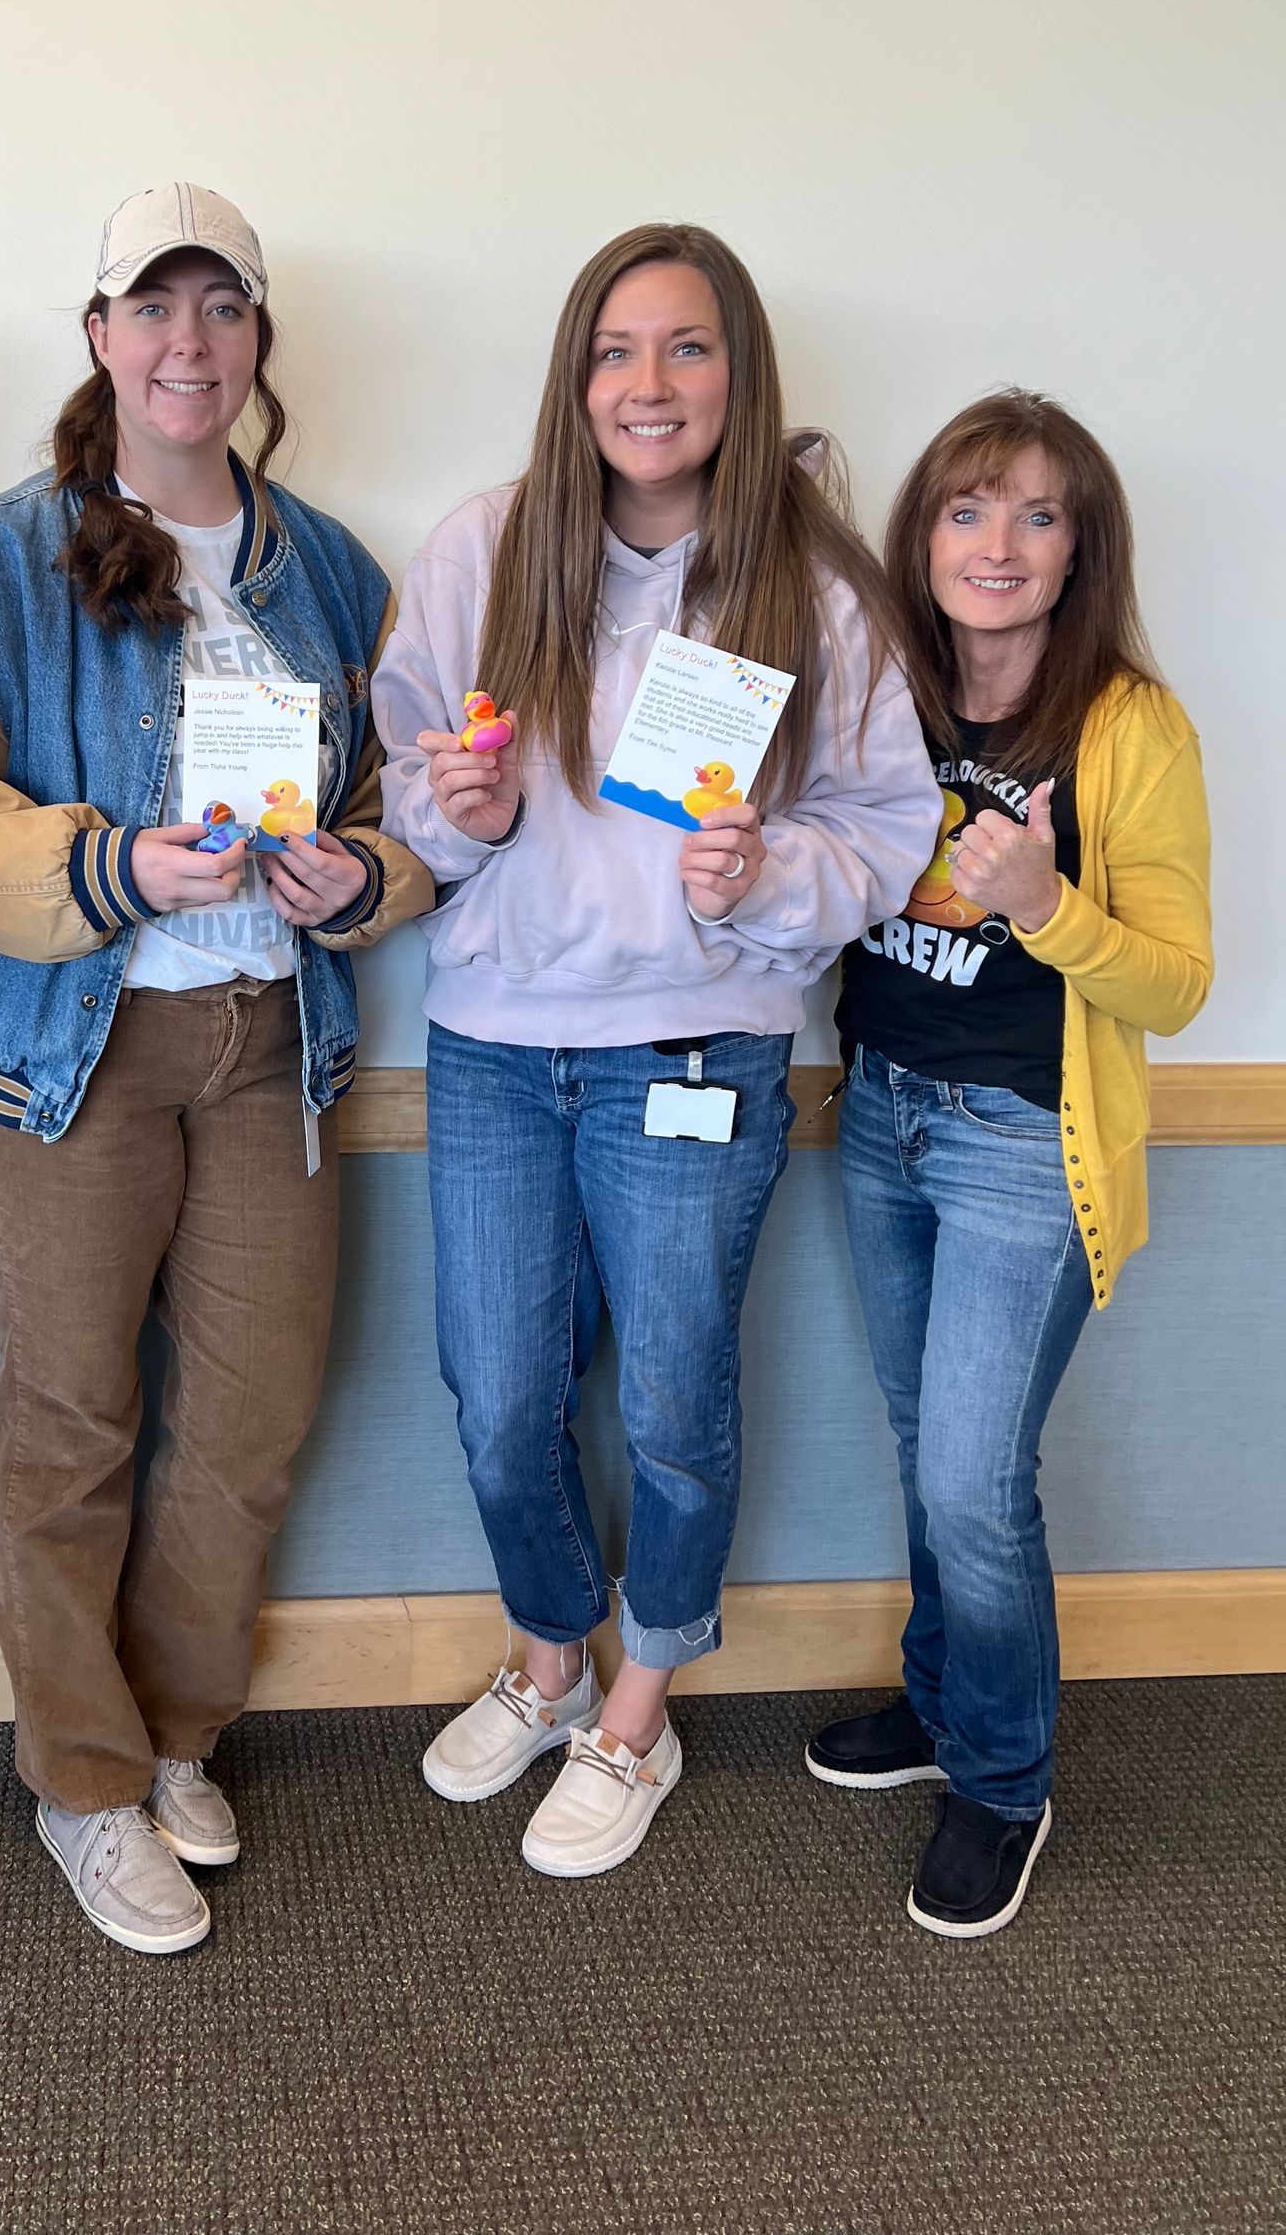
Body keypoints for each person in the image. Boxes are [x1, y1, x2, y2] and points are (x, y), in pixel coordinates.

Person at [0, 182, 432, 1955]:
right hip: (69, 1054)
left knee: (254, 1421)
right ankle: (84, 1782)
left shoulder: (334, 568)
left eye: (223, 309)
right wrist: (115, 868)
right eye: (154, 309)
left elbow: (399, 813)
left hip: (276, 1043)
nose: (187, 343)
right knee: (69, 1422)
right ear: (103, 336)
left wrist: (364, 878)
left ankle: (179, 1732)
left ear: (258, 341)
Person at [373, 222, 940, 1879]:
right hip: (491, 1047)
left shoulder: (810, 591)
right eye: (618, 351)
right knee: (498, 1396)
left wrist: (769, 878)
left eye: (688, 349)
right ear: (574, 377)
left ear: (739, 377)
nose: (650, 384)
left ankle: (638, 1707)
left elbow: (887, 825)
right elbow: (410, 773)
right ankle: (549, 1655)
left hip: (697, 1053)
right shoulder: (485, 549)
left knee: (680, 1400)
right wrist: (452, 811)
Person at [812, 390, 1211, 1938]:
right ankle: (939, 1700)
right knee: (929, 1449)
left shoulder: (1129, 726)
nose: (999, 543)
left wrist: (1046, 905)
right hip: (884, 1115)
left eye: (1038, 515)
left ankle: (1002, 1778)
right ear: (923, 538)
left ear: (1078, 549)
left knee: (976, 1480)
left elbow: (1177, 983)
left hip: (1020, 1150)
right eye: (970, 509)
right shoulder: (882, 695)